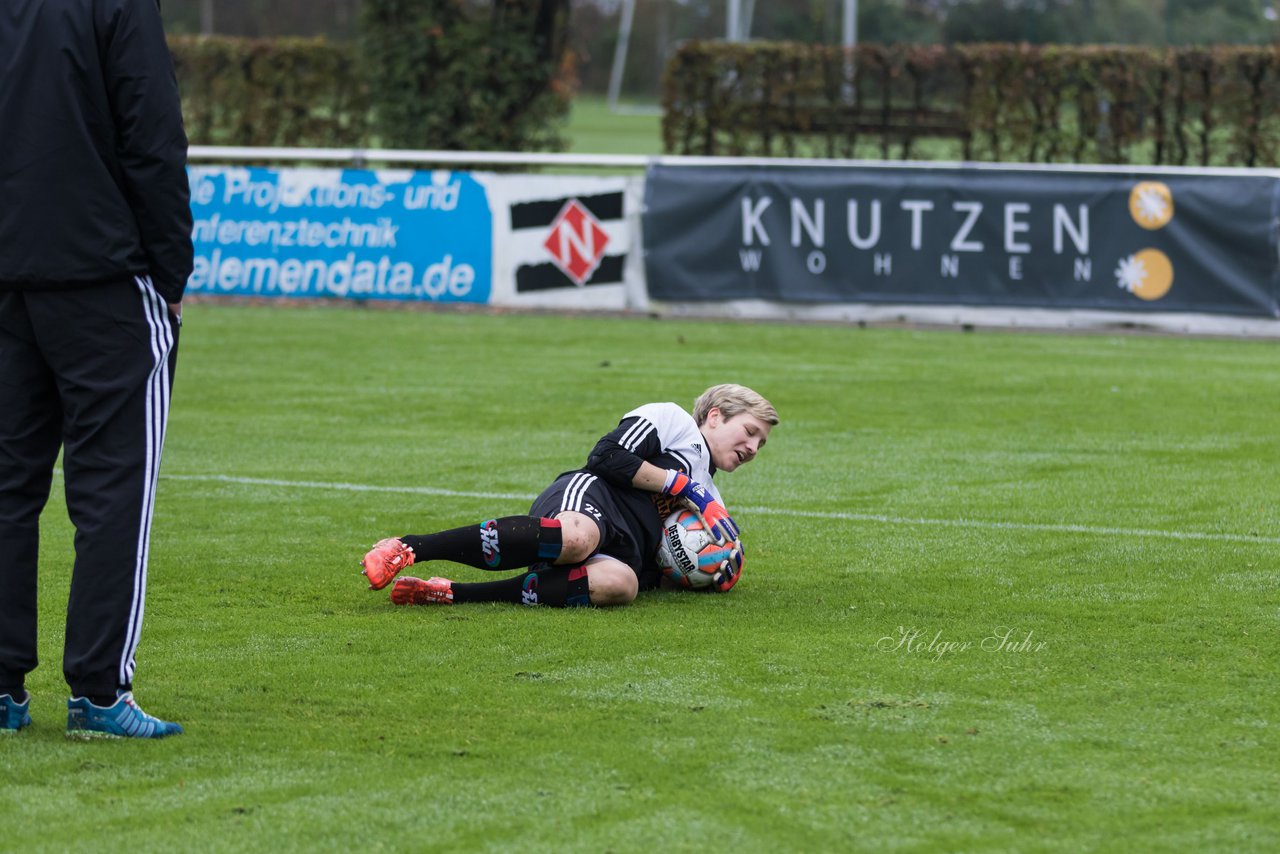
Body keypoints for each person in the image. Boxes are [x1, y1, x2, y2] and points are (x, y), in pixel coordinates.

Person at [0, 0, 192, 738]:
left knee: (8, 486)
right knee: (114, 490)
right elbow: (152, 133)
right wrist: (172, 271)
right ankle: (99, 693)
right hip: (102, 279)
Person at [360, 384, 778, 608]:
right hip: (592, 501)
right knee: (578, 540)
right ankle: (408, 547)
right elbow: (605, 456)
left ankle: (450, 592)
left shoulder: (711, 497)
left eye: (761, 444)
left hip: (624, 550)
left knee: (622, 586)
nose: (753, 449)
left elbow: (666, 559)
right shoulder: (673, 422)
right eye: (750, 432)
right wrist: (682, 487)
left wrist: (714, 569)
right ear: (715, 416)